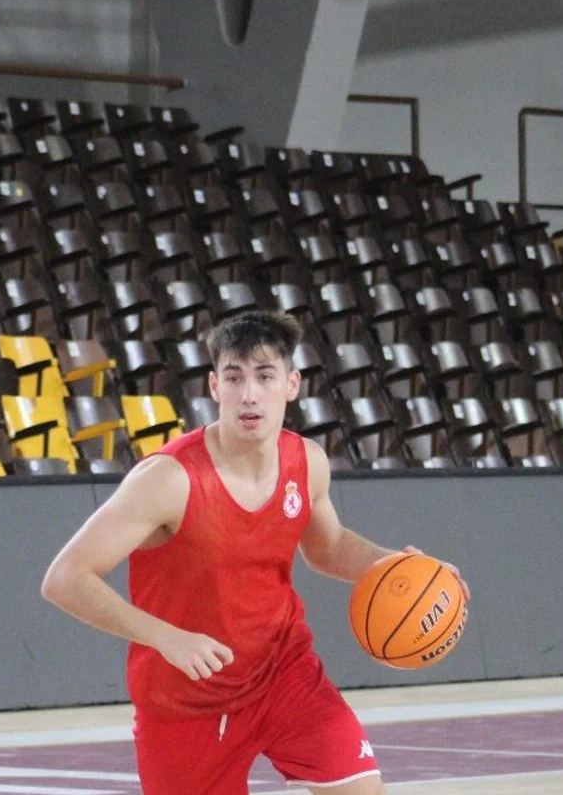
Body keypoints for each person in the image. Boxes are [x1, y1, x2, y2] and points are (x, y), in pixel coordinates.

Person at [41, 311, 469, 795]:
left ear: (291, 384)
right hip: (186, 699)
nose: (249, 394)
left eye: (264, 376)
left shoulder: (306, 461)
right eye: (234, 377)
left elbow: (327, 547)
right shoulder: (168, 479)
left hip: (283, 675)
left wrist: (403, 569)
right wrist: (165, 637)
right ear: (213, 386)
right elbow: (65, 577)